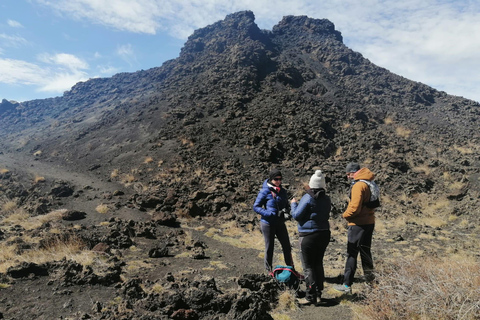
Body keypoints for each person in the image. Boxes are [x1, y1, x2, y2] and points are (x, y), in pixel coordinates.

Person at [334, 162, 377, 294]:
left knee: (352, 253)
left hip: (358, 224)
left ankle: (347, 285)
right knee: (365, 253)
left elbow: (354, 207)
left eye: (348, 174)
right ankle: (371, 283)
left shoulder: (359, 185)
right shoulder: (369, 182)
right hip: (369, 222)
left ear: (353, 172)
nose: (347, 177)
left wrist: (345, 215)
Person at [290, 170, 331, 306]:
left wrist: (293, 204)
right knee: (318, 263)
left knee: (308, 266)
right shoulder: (327, 198)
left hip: (308, 235)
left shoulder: (308, 198)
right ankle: (319, 293)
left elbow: (296, 215)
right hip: (324, 234)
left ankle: (310, 296)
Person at [253, 168, 294, 276]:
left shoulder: (283, 191)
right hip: (268, 223)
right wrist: (269, 214)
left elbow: (286, 205)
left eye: (280, 179)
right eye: (276, 179)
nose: (279, 181)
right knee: (269, 247)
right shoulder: (264, 191)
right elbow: (256, 207)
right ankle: (269, 271)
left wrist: (287, 211)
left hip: (280, 223)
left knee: (286, 246)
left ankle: (291, 269)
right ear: (271, 179)